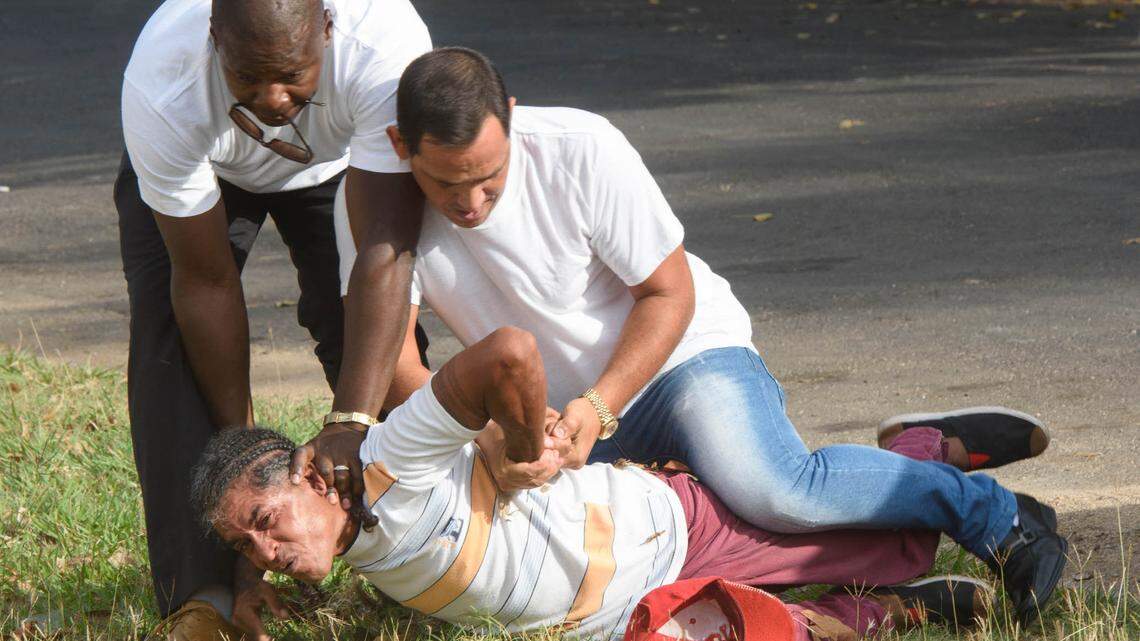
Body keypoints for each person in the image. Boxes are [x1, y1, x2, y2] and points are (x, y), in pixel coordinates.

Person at [331, 47, 1068, 627]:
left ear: (513, 119)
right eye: (445, 185)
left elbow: (668, 292)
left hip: (681, 358)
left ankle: (1002, 518)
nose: (470, 202)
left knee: (774, 490)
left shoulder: (580, 146)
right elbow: (396, 358)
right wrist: (494, 438)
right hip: (559, 422)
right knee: (682, 567)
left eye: (489, 178)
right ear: (400, 145)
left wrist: (596, 408)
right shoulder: (370, 210)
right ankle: (917, 460)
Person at [193, 327, 996, 641]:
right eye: (246, 545)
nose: (267, 550)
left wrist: (516, 442)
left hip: (667, 531)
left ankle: (926, 450)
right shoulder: (329, 541)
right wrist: (247, 592)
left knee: (871, 525)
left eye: (267, 521)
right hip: (622, 618)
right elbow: (267, 551)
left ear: (311, 470)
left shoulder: (392, 452)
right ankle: (888, 610)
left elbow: (508, 352)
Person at [115, 0, 432, 637]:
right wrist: (245, 455)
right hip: (208, 168)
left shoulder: (385, 49)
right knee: (171, 344)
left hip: (343, 165)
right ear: (213, 40)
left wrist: (350, 419)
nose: (274, 98)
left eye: (292, 74)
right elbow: (204, 284)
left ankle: (422, 549)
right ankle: (203, 596)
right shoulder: (162, 85)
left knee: (373, 345)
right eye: (248, 78)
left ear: (328, 29)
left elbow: (384, 252)